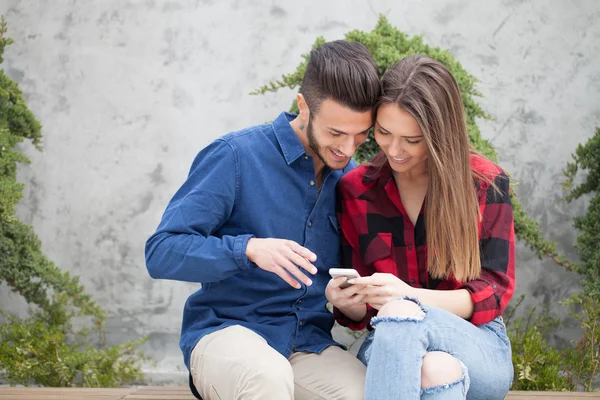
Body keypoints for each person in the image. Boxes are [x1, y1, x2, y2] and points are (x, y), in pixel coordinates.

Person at [145, 40, 380, 400]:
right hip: (227, 334)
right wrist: (248, 249)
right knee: (266, 379)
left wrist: (351, 298)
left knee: (371, 392)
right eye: (336, 133)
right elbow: (161, 251)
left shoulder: (349, 180)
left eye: (360, 135)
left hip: (307, 343)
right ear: (304, 105)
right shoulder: (235, 156)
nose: (347, 149)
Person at [326, 54, 515, 400]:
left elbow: (494, 292)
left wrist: (406, 298)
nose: (394, 150)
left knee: (400, 313)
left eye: (412, 139)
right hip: (389, 348)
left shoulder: (485, 183)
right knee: (434, 370)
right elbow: (364, 313)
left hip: (479, 344)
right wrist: (348, 301)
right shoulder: (355, 190)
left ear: (439, 133)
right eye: (383, 132)